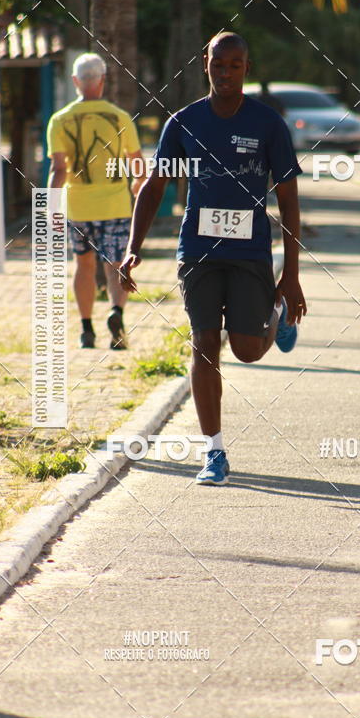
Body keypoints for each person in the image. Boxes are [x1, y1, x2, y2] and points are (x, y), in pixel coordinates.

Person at [119, 32, 306, 486]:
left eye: (235, 65)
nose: (225, 73)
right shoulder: (184, 122)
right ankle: (214, 453)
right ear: (205, 62)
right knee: (204, 345)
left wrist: (292, 277)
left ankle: (275, 313)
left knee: (245, 350)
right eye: (218, 64)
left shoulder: (268, 125)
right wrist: (132, 248)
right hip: (199, 253)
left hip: (250, 253)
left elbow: (289, 197)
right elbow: (155, 186)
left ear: (247, 66)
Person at [47, 53, 145, 349]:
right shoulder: (120, 117)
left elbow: (59, 169)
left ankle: (86, 330)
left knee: (83, 265)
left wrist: (51, 207)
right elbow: (137, 164)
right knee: (116, 266)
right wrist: (138, 187)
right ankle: (116, 313)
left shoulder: (59, 120)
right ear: (102, 81)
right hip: (115, 205)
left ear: (75, 82)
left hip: (79, 206)